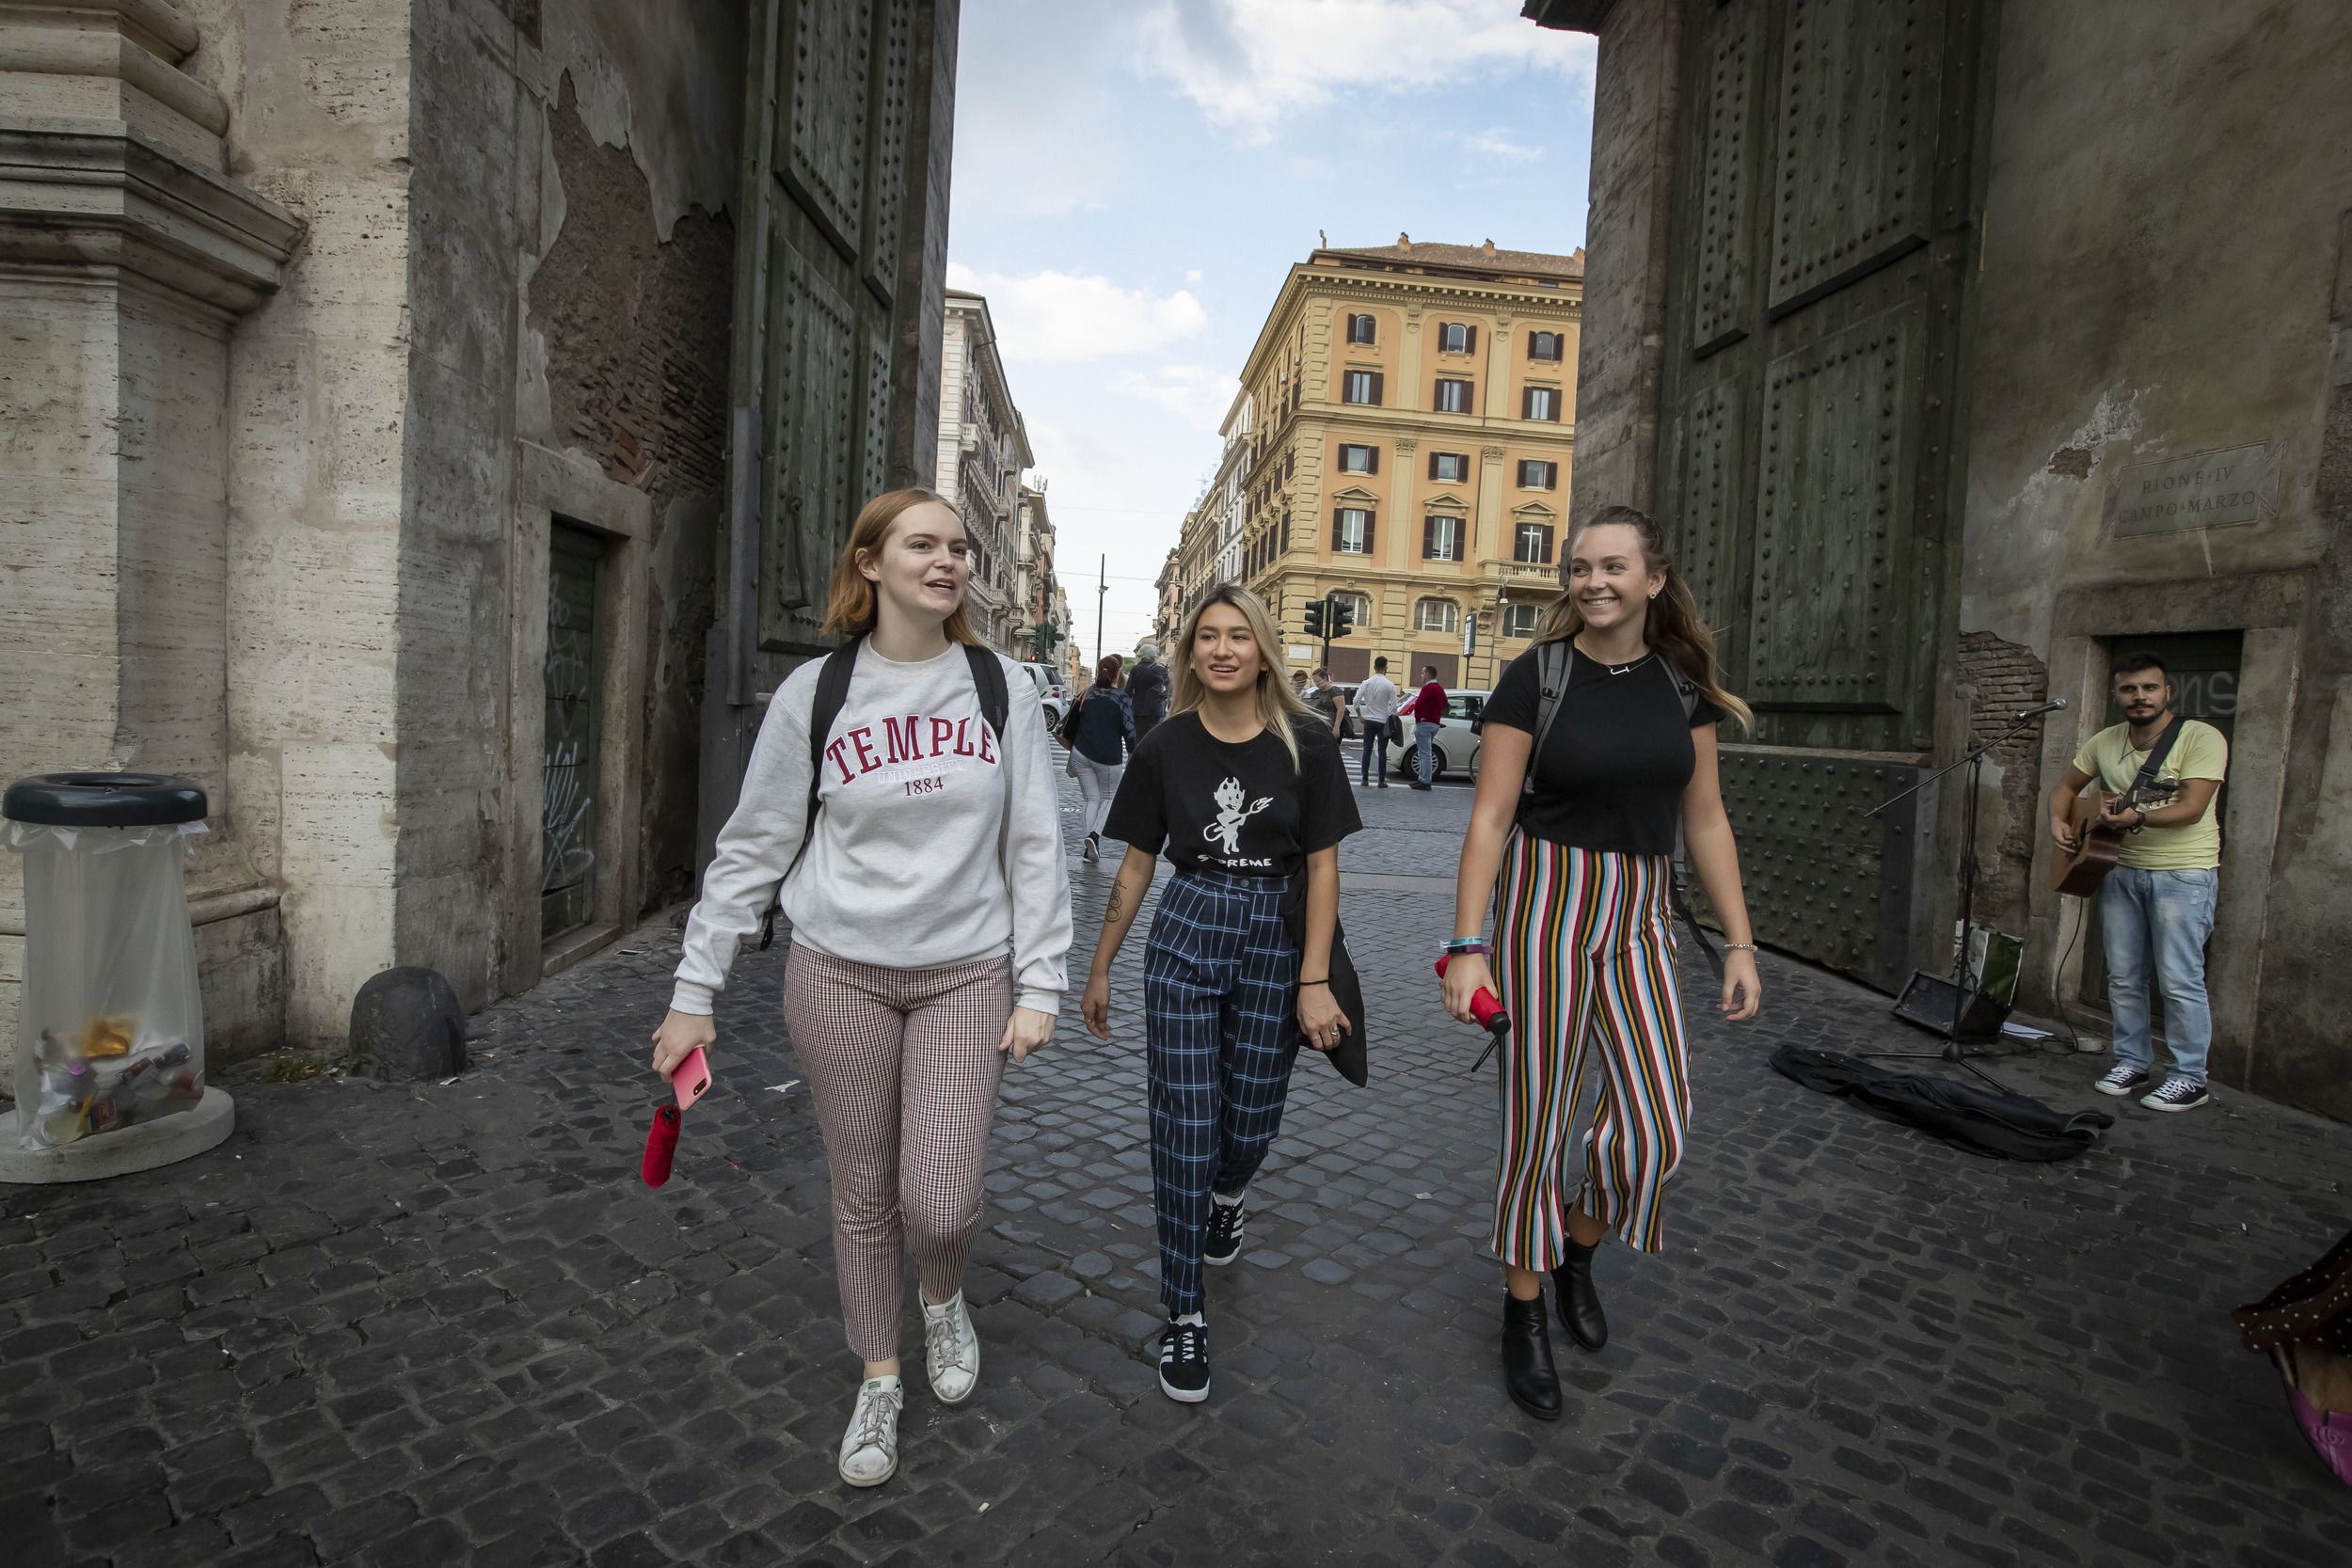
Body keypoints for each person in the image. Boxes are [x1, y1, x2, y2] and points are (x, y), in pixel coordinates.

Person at [651, 488, 1072, 1487]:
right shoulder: (818, 692)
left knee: (941, 1200)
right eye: (922, 544)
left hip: (965, 972)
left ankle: (940, 1294)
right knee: (862, 1192)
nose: (948, 560)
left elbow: (1036, 845)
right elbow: (753, 847)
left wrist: (1040, 980)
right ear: (871, 562)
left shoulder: (1000, 685)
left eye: (959, 547)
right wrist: (691, 987)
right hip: (837, 969)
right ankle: (878, 1376)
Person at [1439, 504, 1762, 1422]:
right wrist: (1467, 949)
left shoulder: (1678, 687)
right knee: (1536, 1119)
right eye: (1579, 567)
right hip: (1542, 906)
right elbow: (1489, 820)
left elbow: (1704, 820)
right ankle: (1524, 1302)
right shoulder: (1532, 677)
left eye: (1612, 566)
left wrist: (1738, 940)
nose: (1592, 581)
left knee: (1656, 1125)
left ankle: (1578, 1242)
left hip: (1639, 913)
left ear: (1653, 579)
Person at [1080, 584, 1360, 1404]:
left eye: (1240, 635)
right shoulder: (1166, 744)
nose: (1224, 649)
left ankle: (1229, 1196)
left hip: (1276, 930)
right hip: (1188, 925)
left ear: (1263, 647)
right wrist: (1099, 967)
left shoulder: (1306, 742)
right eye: (1209, 636)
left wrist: (1314, 978)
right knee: (1186, 1124)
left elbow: (1323, 867)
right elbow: (1135, 864)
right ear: (1190, 651)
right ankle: (1185, 1310)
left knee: (1249, 1121)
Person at [2047, 651, 2228, 1112]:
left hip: (2182, 874)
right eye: (2130, 688)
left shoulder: (2200, 737)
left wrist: (2137, 817)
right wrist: (2058, 820)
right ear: (2117, 695)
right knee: (2124, 975)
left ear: (2167, 693)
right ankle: (2132, 1060)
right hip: (2120, 869)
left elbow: (2191, 807)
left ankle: (2190, 1077)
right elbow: (2066, 787)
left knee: (2179, 978)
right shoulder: (2105, 740)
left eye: (2150, 687)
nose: (2140, 696)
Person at [1069, 654, 1136, 863]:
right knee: (1110, 797)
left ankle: (1089, 849)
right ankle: (1094, 835)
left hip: (1081, 751)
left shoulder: (1086, 693)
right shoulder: (1121, 698)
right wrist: (1132, 752)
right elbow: (1130, 730)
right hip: (1107, 756)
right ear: (1117, 674)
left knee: (1090, 799)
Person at [1353, 656, 1402, 787]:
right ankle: (1381, 780)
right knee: (1382, 751)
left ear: (1374, 667)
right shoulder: (1390, 685)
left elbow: (1356, 701)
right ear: (1386, 668)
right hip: (1383, 721)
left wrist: (1360, 716)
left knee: (1366, 750)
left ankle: (1365, 779)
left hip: (1369, 720)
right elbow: (1394, 708)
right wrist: (1390, 717)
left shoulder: (1366, 683)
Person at [1405, 664, 1449, 791]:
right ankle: (1422, 778)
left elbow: (1418, 704)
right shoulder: (1439, 688)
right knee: (1424, 752)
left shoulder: (1428, 688)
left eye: (1423, 673)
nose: (1421, 675)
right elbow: (1445, 703)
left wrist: (1419, 719)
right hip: (1435, 723)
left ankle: (1425, 780)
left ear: (1429, 674)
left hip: (1425, 723)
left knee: (1425, 753)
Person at [1128, 641, 1170, 740]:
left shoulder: (1135, 670)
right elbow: (1169, 689)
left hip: (1139, 710)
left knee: (1139, 738)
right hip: (1157, 710)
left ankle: (1139, 755)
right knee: (1154, 739)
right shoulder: (1161, 670)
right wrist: (1161, 697)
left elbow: (1128, 691)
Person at [1304, 665, 1349, 739]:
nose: (1317, 684)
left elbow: (1341, 709)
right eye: (1315, 682)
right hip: (1319, 725)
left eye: (1318, 681)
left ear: (1325, 678)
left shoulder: (1335, 691)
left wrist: (1336, 727)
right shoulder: (1316, 693)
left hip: (1332, 725)